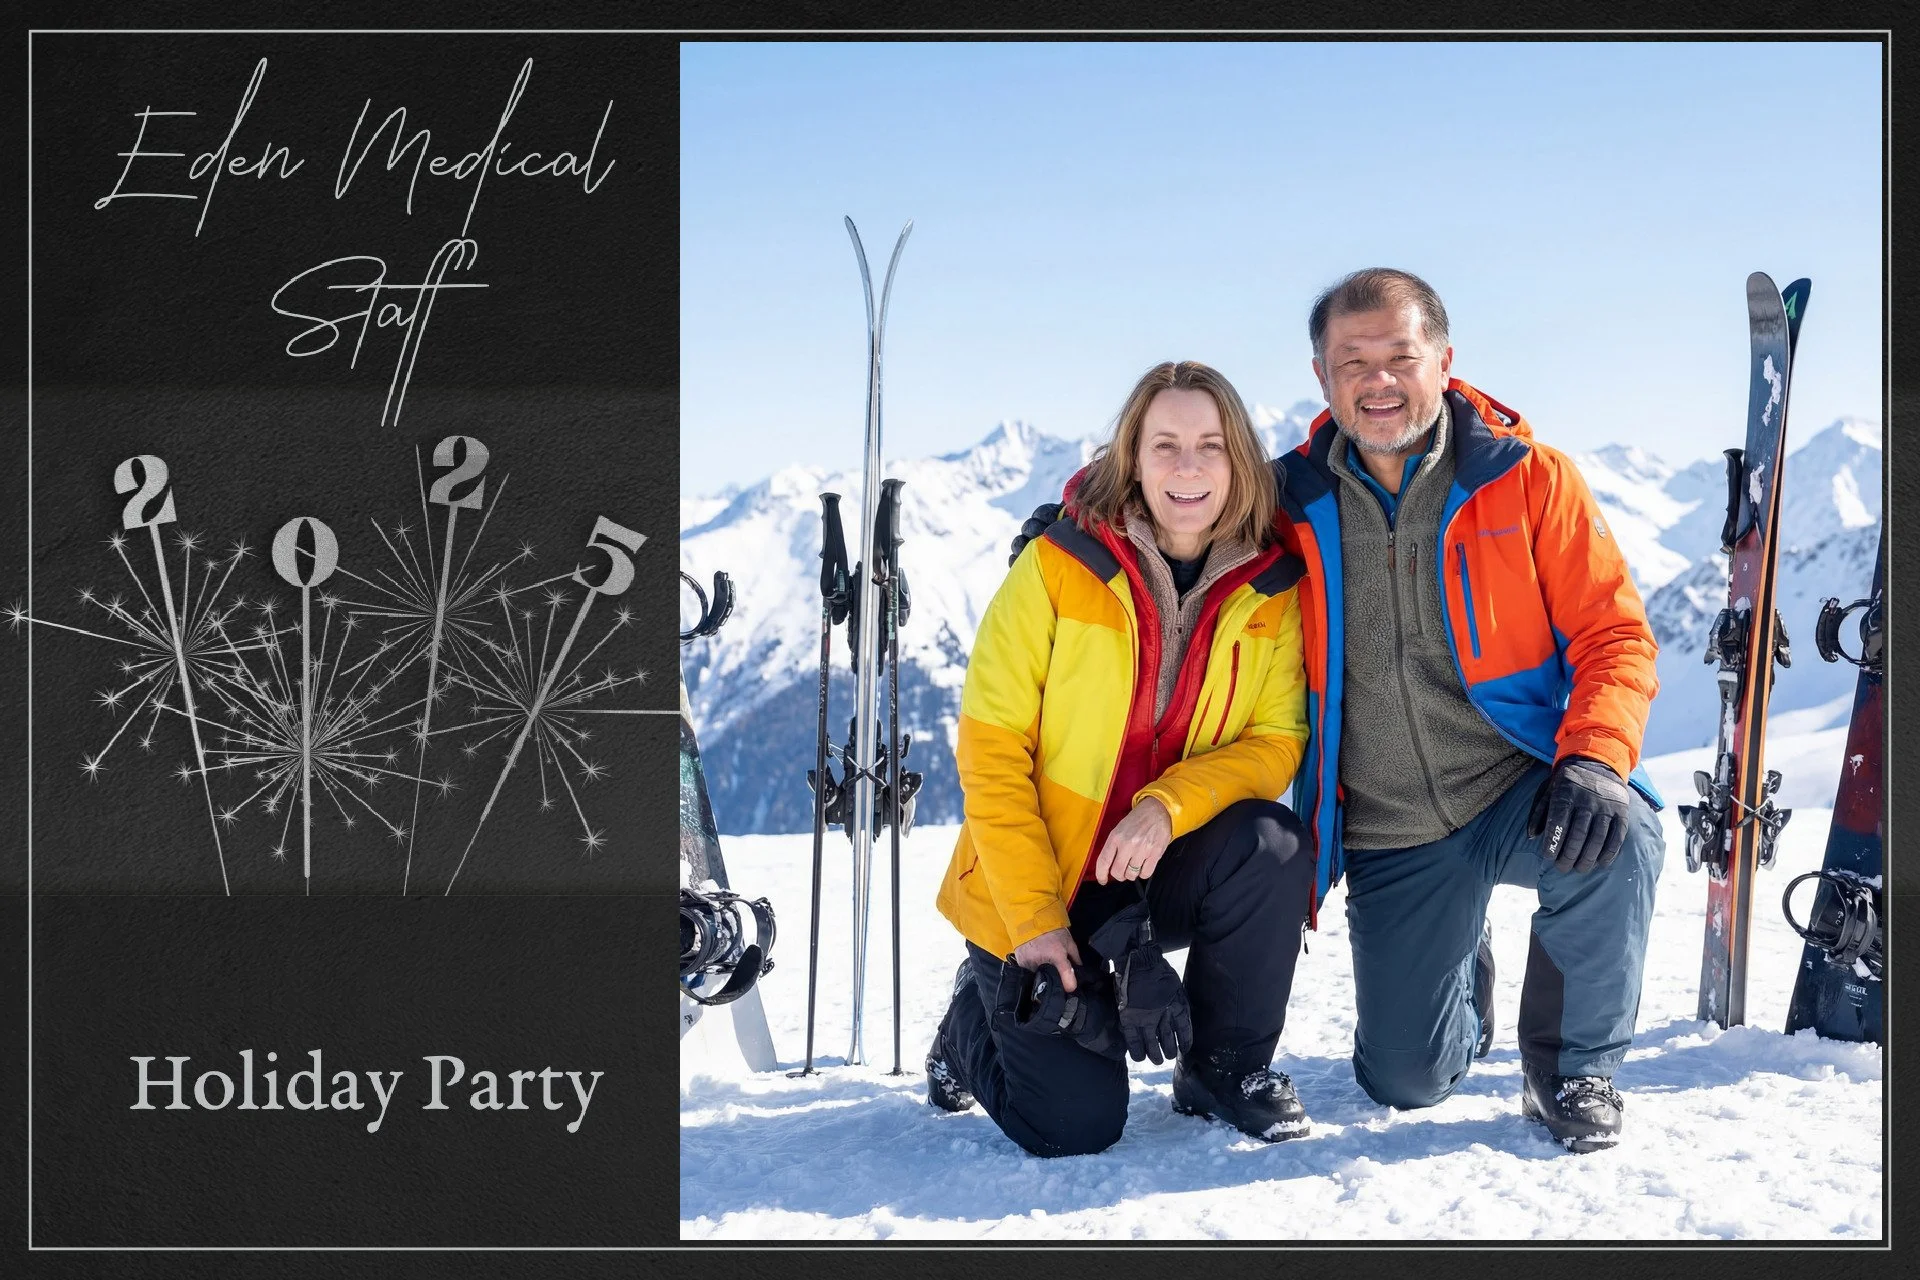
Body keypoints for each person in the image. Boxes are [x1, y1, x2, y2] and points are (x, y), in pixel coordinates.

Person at [1011, 270, 1665, 1154]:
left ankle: (1572, 1070)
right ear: (1321, 376)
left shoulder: (1530, 481)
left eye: (1400, 355)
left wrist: (1594, 756)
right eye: (1352, 360)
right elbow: (1172, 486)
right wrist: (1074, 517)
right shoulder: (1288, 498)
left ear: (1444, 361)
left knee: (1618, 833)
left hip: (1523, 786)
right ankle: (1459, 962)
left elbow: (1614, 635)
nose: (1378, 380)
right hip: (1394, 828)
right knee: (1406, 1081)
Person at [926, 359, 1317, 1157]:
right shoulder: (1056, 567)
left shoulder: (1271, 587)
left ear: (1240, 460)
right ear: (1131, 458)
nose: (1187, 467)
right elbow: (992, 753)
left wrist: (1166, 806)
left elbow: (1276, 741)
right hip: (1040, 881)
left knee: (1271, 844)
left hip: (1151, 867)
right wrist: (1036, 924)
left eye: (1210, 445)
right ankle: (970, 1021)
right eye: (1165, 444)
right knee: (1074, 1126)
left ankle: (1223, 1069)